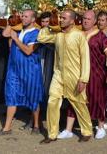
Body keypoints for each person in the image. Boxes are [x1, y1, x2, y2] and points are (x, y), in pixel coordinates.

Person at [38, 10, 93, 144]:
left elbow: (86, 59)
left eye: (63, 18)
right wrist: (50, 26)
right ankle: (52, 134)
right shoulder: (58, 35)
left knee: (79, 104)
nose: (61, 20)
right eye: (60, 17)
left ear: (72, 20)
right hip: (58, 75)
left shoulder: (79, 36)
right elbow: (41, 38)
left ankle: (87, 131)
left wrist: (83, 79)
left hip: (75, 76)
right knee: (52, 101)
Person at [58, 10, 107, 140]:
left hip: (97, 74)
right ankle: (68, 129)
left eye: (89, 19)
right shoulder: (76, 34)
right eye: (84, 18)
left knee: (98, 100)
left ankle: (100, 127)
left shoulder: (100, 36)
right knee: (74, 99)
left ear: (94, 21)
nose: (85, 21)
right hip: (77, 73)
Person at [0, 10, 43, 136]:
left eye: (26, 16)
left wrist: (16, 40)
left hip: (30, 70)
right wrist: (11, 22)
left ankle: (36, 125)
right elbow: (5, 34)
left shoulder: (37, 33)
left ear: (33, 19)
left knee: (33, 97)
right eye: (22, 16)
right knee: (11, 96)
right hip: (14, 69)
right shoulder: (17, 29)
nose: (23, 18)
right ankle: (6, 128)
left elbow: (28, 51)